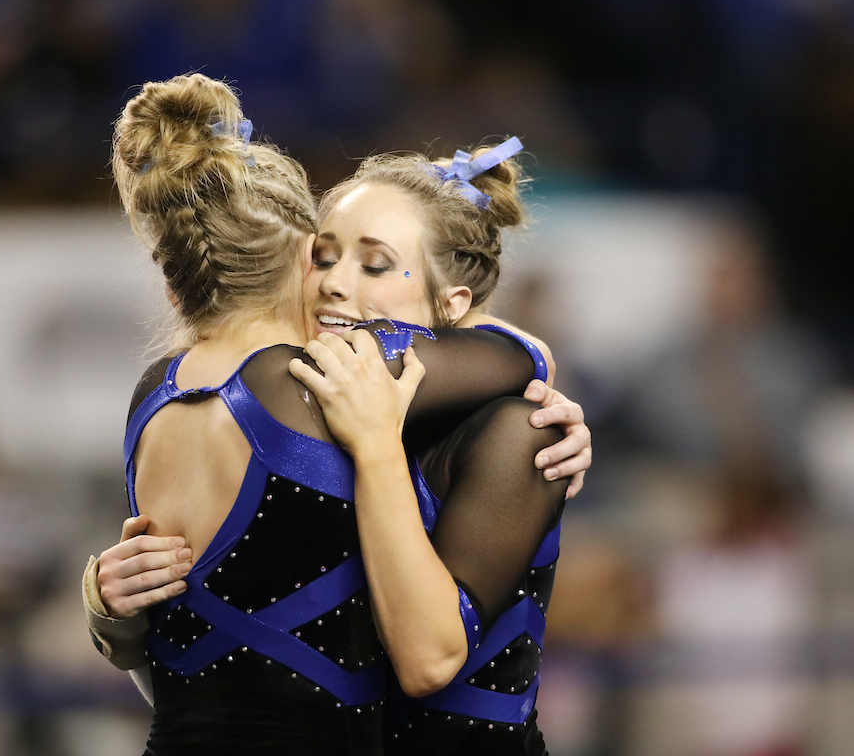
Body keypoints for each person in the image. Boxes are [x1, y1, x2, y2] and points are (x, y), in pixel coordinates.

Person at [100, 72, 583, 755]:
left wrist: (517, 355)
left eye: (374, 264)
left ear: (453, 308)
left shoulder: (517, 430)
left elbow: (426, 659)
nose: (334, 283)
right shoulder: (318, 401)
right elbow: (233, 675)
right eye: (325, 257)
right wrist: (114, 610)